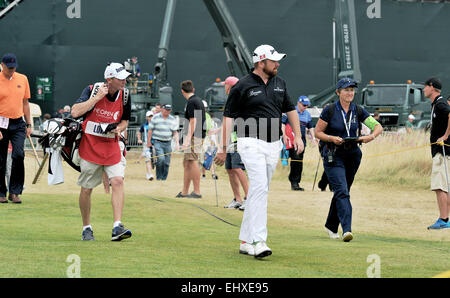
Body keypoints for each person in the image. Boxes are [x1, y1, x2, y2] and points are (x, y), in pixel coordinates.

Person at [215, 44, 303, 258]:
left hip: (273, 144)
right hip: (250, 141)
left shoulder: (279, 83)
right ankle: (259, 240)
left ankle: (245, 240)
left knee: (258, 191)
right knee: (260, 188)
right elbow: (229, 117)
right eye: (273, 61)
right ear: (261, 62)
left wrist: (298, 136)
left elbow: (290, 109)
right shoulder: (242, 86)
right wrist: (223, 147)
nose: (278, 64)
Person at [314, 77, 383, 242]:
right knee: (342, 192)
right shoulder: (329, 110)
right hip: (333, 154)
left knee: (342, 192)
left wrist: (370, 137)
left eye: (352, 90)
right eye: (346, 89)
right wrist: (331, 138)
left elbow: (378, 126)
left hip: (353, 154)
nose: (350, 92)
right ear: (338, 92)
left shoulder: (358, 110)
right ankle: (347, 230)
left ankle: (331, 226)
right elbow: (318, 132)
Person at [71, 62, 132, 241]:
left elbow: (125, 121)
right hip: (90, 145)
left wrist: (119, 129)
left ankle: (117, 226)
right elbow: (75, 112)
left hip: (111, 144)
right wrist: (96, 98)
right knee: (87, 189)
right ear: (109, 79)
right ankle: (86, 227)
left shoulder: (126, 95)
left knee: (118, 180)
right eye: (121, 78)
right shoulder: (92, 89)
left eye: (125, 78)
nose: (124, 82)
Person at [0, 53, 32, 204]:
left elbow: (25, 103)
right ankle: (1, 192)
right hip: (1, 123)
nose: (11, 70)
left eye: (14, 68)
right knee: (0, 158)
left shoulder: (23, 79)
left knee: (18, 155)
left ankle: (15, 191)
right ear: (2, 65)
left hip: (18, 122)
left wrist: (29, 124)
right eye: (9, 68)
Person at [424, 77, 450, 230]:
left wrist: (445, 136)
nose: (423, 90)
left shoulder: (440, 103)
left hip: (443, 151)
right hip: (443, 151)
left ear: (431, 87)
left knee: (439, 186)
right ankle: (445, 219)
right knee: (445, 186)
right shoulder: (436, 104)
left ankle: (444, 219)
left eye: (425, 87)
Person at [221, 76, 249, 210]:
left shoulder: (240, 99)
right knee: (230, 168)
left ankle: (249, 198)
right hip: (231, 139)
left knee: (238, 167)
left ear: (230, 86)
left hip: (240, 138)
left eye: (225, 85)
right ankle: (237, 199)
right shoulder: (231, 99)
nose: (224, 88)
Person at [176, 80, 206, 198]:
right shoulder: (197, 100)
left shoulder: (191, 102)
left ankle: (197, 192)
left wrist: (187, 140)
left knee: (192, 161)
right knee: (187, 162)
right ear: (192, 89)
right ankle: (184, 191)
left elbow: (193, 121)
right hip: (197, 135)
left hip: (195, 136)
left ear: (182, 91)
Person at [282, 95, 316, 191]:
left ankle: (296, 181)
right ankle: (294, 181)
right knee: (295, 159)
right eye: (304, 105)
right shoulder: (291, 112)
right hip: (291, 139)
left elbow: (310, 127)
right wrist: (284, 135)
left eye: (307, 105)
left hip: (302, 141)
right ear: (298, 103)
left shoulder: (307, 114)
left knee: (299, 161)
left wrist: (313, 137)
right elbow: (283, 123)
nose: (305, 107)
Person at [147, 104, 179, 180]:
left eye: (169, 110)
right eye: (166, 109)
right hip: (158, 142)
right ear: (162, 109)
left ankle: (164, 178)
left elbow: (175, 132)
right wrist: (149, 141)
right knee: (161, 159)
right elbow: (150, 130)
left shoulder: (172, 119)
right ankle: (159, 177)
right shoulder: (155, 117)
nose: (167, 111)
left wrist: (177, 143)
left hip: (168, 143)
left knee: (167, 163)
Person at [201, 100, 219, 180]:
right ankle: (203, 175)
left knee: (210, 158)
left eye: (205, 108)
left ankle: (213, 174)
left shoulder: (208, 117)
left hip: (209, 141)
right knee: (203, 158)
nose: (204, 109)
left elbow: (210, 132)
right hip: (202, 140)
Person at [137, 110, 155, 180]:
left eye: (152, 116)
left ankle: (148, 173)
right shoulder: (144, 126)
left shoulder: (156, 125)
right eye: (149, 116)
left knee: (154, 159)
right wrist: (139, 139)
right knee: (148, 159)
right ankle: (150, 174)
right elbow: (139, 132)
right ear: (146, 117)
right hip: (146, 144)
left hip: (156, 143)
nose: (151, 118)